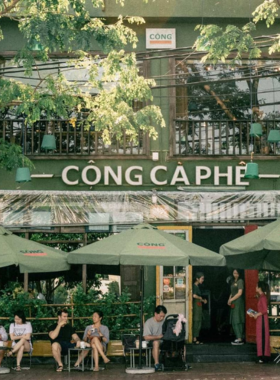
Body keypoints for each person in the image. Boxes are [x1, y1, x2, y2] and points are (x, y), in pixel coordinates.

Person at [249, 281, 271, 363]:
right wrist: (254, 314)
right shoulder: (261, 297)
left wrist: (257, 314)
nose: (255, 288)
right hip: (260, 319)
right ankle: (261, 356)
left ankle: (263, 357)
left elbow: (265, 310)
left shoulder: (263, 297)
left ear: (259, 288)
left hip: (262, 320)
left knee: (262, 337)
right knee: (260, 337)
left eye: (256, 286)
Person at [143, 305, 167, 371]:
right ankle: (157, 364)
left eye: (163, 316)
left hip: (163, 340)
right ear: (155, 314)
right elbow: (146, 337)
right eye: (160, 316)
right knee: (156, 342)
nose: (162, 318)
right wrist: (158, 337)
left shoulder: (164, 322)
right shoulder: (149, 322)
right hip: (151, 341)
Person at [228, 269, 245, 345]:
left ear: (239, 274)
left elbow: (240, 293)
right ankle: (238, 337)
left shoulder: (240, 281)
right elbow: (232, 292)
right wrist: (229, 299)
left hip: (238, 301)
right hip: (233, 301)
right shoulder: (233, 281)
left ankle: (239, 338)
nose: (235, 274)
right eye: (234, 273)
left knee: (237, 319)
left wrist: (231, 299)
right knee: (233, 319)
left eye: (237, 273)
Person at [193, 272, 207, 344]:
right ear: (197, 279)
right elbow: (194, 296)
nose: (203, 280)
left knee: (199, 321)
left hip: (199, 306)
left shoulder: (198, 286)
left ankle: (196, 337)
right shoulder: (194, 286)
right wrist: (201, 298)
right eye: (202, 279)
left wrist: (202, 300)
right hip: (196, 306)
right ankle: (194, 338)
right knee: (196, 321)